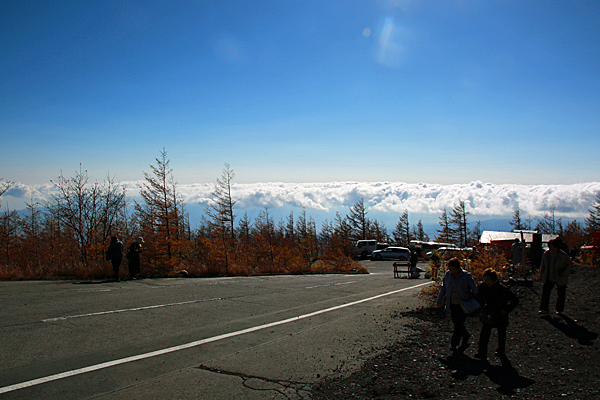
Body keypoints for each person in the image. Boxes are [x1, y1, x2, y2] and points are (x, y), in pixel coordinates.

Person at [474, 268, 519, 361]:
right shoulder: (484, 286)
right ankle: (482, 352)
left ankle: (500, 351)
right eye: (485, 279)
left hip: (500, 314)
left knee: (501, 333)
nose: (486, 282)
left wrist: (506, 310)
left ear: (493, 279)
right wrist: (482, 306)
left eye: (488, 280)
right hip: (489, 312)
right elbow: (478, 296)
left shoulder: (503, 289)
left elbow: (515, 300)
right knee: (485, 334)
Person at [437, 257, 478, 352]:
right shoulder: (448, 275)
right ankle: (465, 336)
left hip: (463, 304)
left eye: (452, 269)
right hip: (452, 304)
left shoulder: (466, 276)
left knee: (458, 324)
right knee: (457, 323)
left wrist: (472, 299)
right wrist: (440, 299)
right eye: (449, 269)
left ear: (458, 268)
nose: (450, 271)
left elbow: (474, 289)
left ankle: (454, 343)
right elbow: (443, 288)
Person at [539, 237, 573, 315]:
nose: (551, 248)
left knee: (561, 294)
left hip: (560, 277)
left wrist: (565, 273)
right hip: (549, 275)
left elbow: (570, 265)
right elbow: (543, 264)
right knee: (545, 293)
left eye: (553, 247)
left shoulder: (562, 255)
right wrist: (541, 273)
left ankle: (559, 310)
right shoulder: (547, 254)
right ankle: (544, 308)